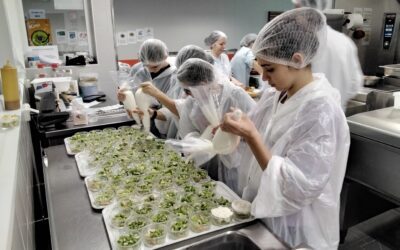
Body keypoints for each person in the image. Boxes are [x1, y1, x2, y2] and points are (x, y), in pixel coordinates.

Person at [220, 8, 350, 249]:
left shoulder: (320, 109)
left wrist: (251, 134)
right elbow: (259, 134)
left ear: (297, 60)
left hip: (300, 225)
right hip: (267, 211)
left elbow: (300, 186)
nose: (265, 79)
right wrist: (235, 131)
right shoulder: (275, 94)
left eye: (270, 69)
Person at [138, 58, 255, 185]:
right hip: (205, 162)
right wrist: (203, 142)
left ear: (204, 83)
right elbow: (187, 130)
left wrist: (230, 136)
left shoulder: (235, 96)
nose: (186, 95)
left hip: (236, 164)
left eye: (188, 90)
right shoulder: (192, 101)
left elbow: (257, 130)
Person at [292, 0, 364, 110]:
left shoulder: (300, 43)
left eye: (296, 7)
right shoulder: (344, 42)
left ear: (302, 9)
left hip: (303, 118)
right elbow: (355, 85)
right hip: (336, 119)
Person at [117, 38, 177, 137]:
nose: (150, 70)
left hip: (162, 122)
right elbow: (130, 94)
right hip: (139, 118)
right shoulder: (137, 69)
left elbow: (176, 108)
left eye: (154, 67)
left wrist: (153, 108)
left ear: (165, 57)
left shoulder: (174, 75)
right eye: (146, 66)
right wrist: (123, 98)